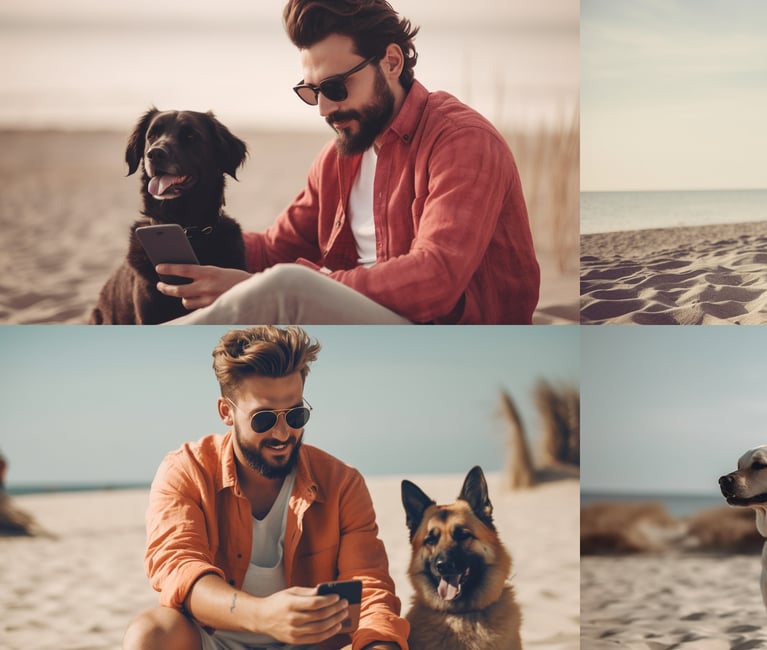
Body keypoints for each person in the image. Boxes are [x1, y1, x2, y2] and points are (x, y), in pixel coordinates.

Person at [160, 0, 541, 325]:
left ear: (391, 62)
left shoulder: (462, 141)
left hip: (448, 332)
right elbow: (273, 250)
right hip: (368, 327)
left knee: (287, 286)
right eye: (311, 92)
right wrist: (194, 243)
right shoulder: (338, 158)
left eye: (336, 88)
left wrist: (304, 283)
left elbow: (435, 278)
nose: (324, 108)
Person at [123, 326, 408, 650]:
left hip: (316, 646)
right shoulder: (187, 471)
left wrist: (381, 645)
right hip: (216, 642)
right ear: (226, 412)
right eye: (264, 419)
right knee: (151, 633)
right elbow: (178, 569)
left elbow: (371, 591)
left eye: (296, 415)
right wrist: (262, 615)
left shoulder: (342, 483)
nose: (284, 433)